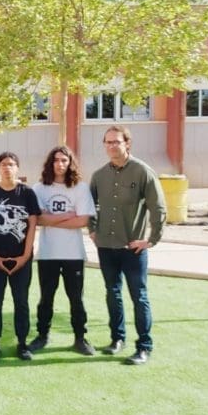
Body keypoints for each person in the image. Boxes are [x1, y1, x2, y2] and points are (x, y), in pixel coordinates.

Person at [89, 125, 166, 366]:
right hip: (106, 247)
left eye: (117, 142)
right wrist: (92, 229)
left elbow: (158, 208)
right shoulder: (99, 176)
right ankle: (117, 339)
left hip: (133, 248)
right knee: (112, 293)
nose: (112, 146)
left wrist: (151, 240)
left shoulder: (143, 172)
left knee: (139, 296)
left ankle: (144, 346)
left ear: (127, 143)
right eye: (108, 142)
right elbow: (90, 206)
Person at [30, 146, 97, 356]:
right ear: (50, 163)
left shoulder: (80, 188)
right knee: (46, 298)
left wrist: (52, 219)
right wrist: (67, 215)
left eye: (64, 160)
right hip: (48, 253)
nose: (60, 164)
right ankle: (42, 336)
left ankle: (80, 338)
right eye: (56, 160)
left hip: (73, 254)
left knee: (76, 299)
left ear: (70, 163)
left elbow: (83, 220)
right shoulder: (39, 188)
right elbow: (38, 219)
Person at [0, 152, 41, 361]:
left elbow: (32, 225)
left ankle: (22, 343)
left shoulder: (27, 193)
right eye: (3, 164)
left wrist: (25, 256)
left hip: (21, 259)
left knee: (21, 302)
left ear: (17, 168)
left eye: (11, 164)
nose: (7, 168)